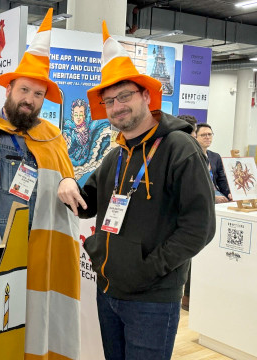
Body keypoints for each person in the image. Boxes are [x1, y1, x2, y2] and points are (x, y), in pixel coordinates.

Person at [57, 21, 215, 360]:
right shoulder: (115, 155)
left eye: (125, 96)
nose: (117, 107)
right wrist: (66, 181)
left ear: (146, 95)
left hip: (153, 300)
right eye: (110, 100)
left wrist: (148, 268)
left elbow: (200, 227)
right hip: (109, 292)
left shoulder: (180, 148)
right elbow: (86, 205)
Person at [0, 9, 80, 359]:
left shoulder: (52, 136)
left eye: (38, 94)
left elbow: (63, 169)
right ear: (9, 89)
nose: (30, 99)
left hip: (39, 248)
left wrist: (68, 179)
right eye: (24, 89)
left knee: (33, 323)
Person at [196, 123, 232, 203]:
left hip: (217, 193)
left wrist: (229, 193)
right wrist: (212, 197)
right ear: (195, 137)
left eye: (210, 134)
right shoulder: (192, 158)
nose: (207, 137)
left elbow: (221, 180)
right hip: (202, 197)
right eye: (203, 135)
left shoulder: (215, 156)